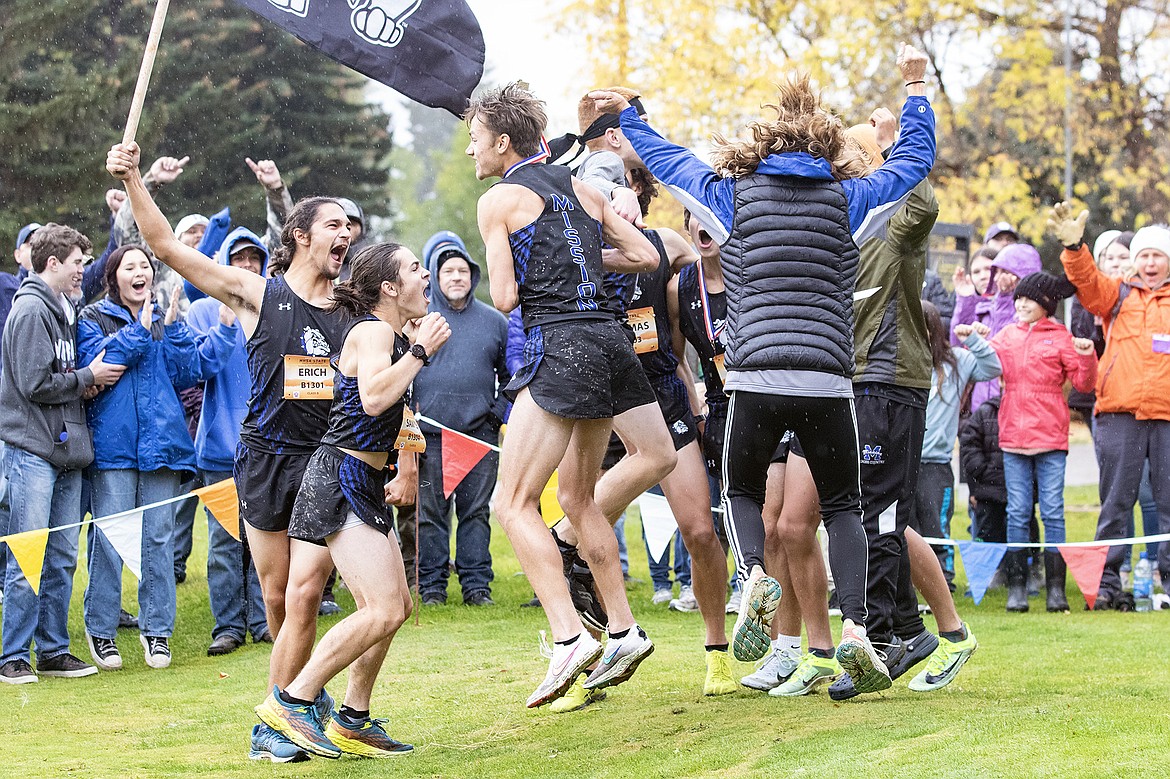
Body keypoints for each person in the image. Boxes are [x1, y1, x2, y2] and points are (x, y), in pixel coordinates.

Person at [590, 43, 936, 694]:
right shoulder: (850, 200)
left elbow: (669, 161)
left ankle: (753, 575)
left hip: (753, 378)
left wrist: (633, 115)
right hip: (831, 380)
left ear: (761, 150)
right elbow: (914, 164)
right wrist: (916, 91)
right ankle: (857, 628)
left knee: (743, 492)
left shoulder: (733, 198)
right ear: (825, 151)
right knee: (843, 506)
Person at [106, 141, 353, 762]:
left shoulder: (352, 310)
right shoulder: (257, 294)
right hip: (265, 460)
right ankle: (295, 701)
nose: (345, 234)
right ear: (300, 237)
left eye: (349, 227)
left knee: (306, 590)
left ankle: (282, 716)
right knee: (277, 597)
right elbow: (166, 248)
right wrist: (136, 181)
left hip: (325, 461)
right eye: (333, 226)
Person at [466, 82, 660, 708]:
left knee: (512, 503)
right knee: (578, 498)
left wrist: (553, 268)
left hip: (562, 347)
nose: (472, 152)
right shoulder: (580, 186)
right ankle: (625, 630)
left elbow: (502, 298)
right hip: (610, 341)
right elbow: (643, 255)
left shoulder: (498, 200)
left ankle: (569, 636)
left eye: (475, 140)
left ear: (501, 143)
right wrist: (582, 261)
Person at [256, 243, 447, 759]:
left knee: (395, 606)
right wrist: (420, 352)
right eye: (413, 269)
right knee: (381, 608)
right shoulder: (372, 330)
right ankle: (292, 701)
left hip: (358, 480)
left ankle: (353, 718)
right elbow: (373, 398)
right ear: (388, 288)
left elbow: (393, 409)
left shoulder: (389, 334)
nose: (424, 275)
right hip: (339, 476)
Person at [78, 245, 215, 670]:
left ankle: (157, 632)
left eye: (145, 267)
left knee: (158, 540)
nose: (140, 273)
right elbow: (101, 363)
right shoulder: (92, 318)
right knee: (110, 539)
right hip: (114, 448)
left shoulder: (165, 318)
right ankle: (101, 630)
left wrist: (172, 328)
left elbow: (189, 371)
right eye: (130, 267)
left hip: (163, 447)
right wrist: (141, 328)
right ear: (113, 276)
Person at [0, 223, 125, 684]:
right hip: (33, 450)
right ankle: (12, 656)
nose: (83, 272)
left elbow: (56, 378)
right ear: (52, 263)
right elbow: (34, 384)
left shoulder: (64, 309)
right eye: (77, 263)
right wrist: (87, 377)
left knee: (61, 556)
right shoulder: (32, 310)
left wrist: (80, 385)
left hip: (68, 451)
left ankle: (52, 650)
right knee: (28, 554)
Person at [1049, 204, 1170, 610]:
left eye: (1158, 256)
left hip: (1167, 416)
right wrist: (1074, 245)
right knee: (1116, 503)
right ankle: (1105, 585)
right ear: (1136, 261)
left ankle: (1167, 583)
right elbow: (1085, 281)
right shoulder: (1116, 293)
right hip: (1120, 412)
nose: (1151, 263)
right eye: (1145, 256)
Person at [990, 270, 1097, 612]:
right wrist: (975, 339)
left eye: (1029, 298)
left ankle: (1056, 591)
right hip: (1014, 439)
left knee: (1053, 512)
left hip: (1051, 438)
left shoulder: (1062, 336)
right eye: (1018, 297)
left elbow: (1084, 383)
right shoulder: (1006, 336)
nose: (1020, 303)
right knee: (1018, 512)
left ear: (1046, 305)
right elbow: (983, 364)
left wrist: (1085, 354)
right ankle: (1017, 589)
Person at [186, 228, 271, 656]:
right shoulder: (201, 310)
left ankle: (264, 620)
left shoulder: (273, 307)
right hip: (219, 448)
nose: (247, 266)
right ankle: (227, 626)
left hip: (269, 446)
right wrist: (221, 328)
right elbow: (197, 367)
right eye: (238, 259)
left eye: (254, 258)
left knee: (266, 539)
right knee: (224, 543)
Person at [414, 230, 510, 606]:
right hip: (429, 437)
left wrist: (497, 413)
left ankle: (476, 587)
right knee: (430, 517)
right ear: (436, 278)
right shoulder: (419, 323)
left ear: (473, 276)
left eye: (463, 271)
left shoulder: (494, 321)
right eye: (448, 271)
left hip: (480, 436)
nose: (456, 277)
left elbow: (511, 374)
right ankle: (433, 588)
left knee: (476, 514)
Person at [918, 306, 1001, 584]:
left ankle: (944, 580)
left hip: (936, 463)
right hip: (902, 462)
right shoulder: (901, 361)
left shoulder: (957, 362)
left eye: (925, 326)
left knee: (935, 526)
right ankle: (906, 586)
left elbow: (993, 368)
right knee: (903, 527)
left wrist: (973, 339)